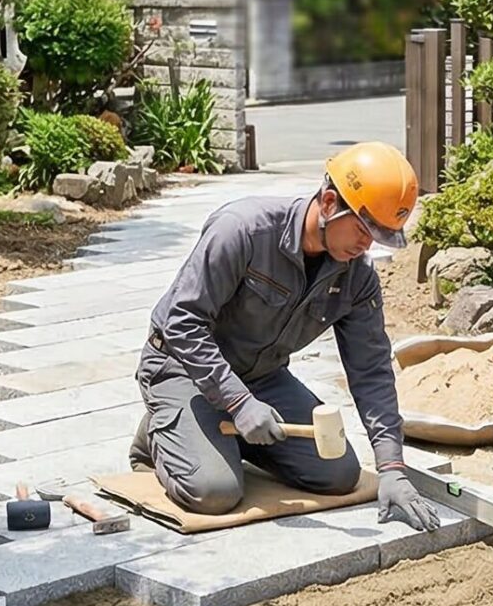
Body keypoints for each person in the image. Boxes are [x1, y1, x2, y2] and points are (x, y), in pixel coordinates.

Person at [133, 142, 443, 532]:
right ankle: (160, 432)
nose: (368, 245)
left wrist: (392, 466)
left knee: (339, 474)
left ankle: (225, 434)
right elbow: (182, 321)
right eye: (365, 229)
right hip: (183, 369)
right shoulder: (243, 230)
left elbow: (372, 371)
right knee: (214, 492)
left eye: (380, 236)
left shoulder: (356, 277)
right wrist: (239, 402)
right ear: (329, 203)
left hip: (262, 377)